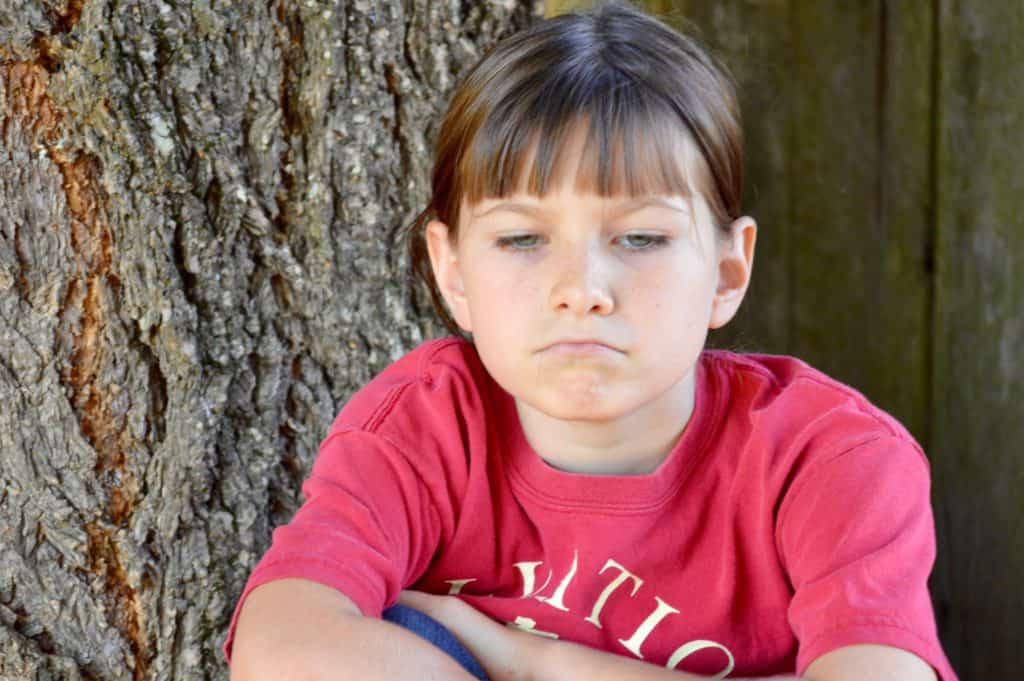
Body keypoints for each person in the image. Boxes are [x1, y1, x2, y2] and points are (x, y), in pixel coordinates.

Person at [225, 2, 958, 680]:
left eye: (641, 236)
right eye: (521, 238)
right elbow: (283, 646)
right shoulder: (425, 425)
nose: (581, 287)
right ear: (453, 271)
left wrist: (520, 661)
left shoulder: (827, 458)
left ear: (728, 271)